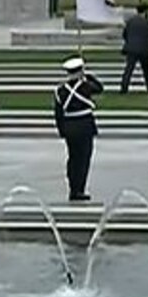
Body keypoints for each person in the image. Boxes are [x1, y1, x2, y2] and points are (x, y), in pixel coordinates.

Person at [54, 57, 104, 201]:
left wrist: (61, 130)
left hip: (70, 127)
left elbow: (58, 113)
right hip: (84, 126)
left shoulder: (60, 90)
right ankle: (79, 189)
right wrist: (87, 76)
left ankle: (73, 187)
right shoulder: (85, 86)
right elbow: (99, 88)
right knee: (83, 160)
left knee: (73, 158)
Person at [120, 3, 148, 93]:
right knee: (146, 71)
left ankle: (124, 87)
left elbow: (124, 34)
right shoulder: (146, 22)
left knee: (129, 70)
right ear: (146, 11)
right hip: (143, 49)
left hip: (131, 49)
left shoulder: (130, 21)